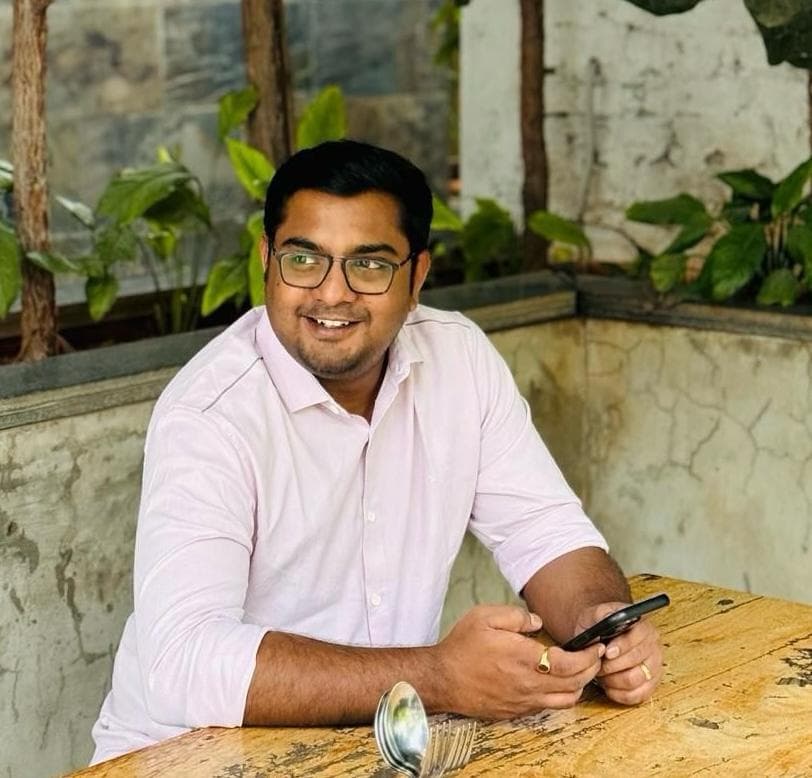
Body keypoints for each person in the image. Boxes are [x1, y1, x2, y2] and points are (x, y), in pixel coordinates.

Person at [90, 140, 663, 763]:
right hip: (181, 759)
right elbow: (186, 662)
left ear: (417, 276)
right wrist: (441, 676)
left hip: (376, 748)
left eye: (368, 266)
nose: (331, 294)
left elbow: (545, 531)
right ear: (266, 260)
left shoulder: (458, 359)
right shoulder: (211, 414)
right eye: (304, 260)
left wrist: (604, 622)